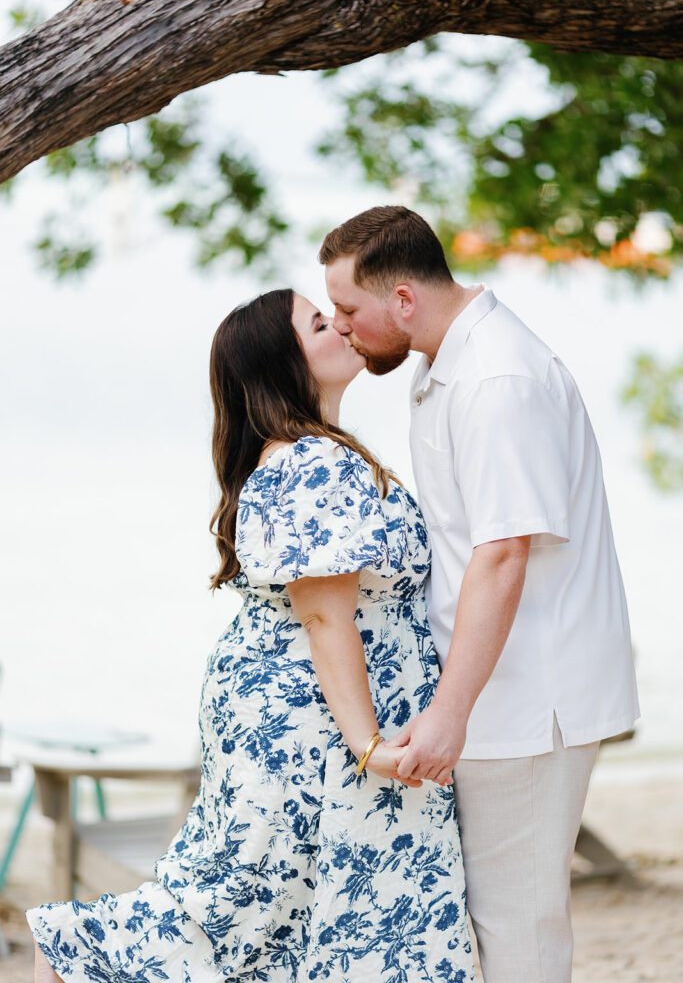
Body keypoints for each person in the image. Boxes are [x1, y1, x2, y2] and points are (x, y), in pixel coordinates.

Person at [27, 288, 474, 983]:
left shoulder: (311, 454)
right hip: (314, 725)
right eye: (321, 323)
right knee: (247, 906)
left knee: (295, 910)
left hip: (298, 712)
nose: (344, 327)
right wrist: (368, 745)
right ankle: (75, 948)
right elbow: (327, 616)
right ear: (281, 363)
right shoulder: (312, 462)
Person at [320, 206, 640, 983]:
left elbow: (502, 556)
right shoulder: (440, 366)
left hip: (531, 701)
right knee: (481, 924)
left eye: (349, 310)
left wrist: (447, 713)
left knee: (516, 929)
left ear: (401, 300)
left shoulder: (498, 378)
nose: (341, 328)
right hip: (493, 691)